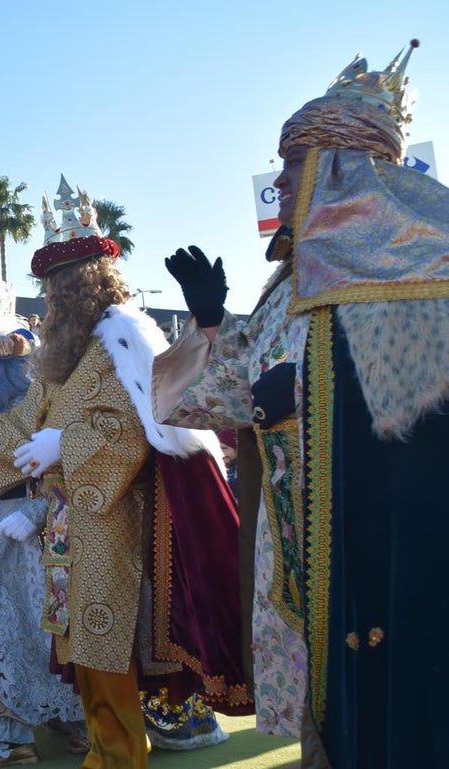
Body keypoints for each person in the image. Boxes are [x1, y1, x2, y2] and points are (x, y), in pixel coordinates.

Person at [153, 40, 447, 768]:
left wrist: (309, 396)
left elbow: (417, 415)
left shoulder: (429, 264)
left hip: (392, 553)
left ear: (340, 168)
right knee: (335, 722)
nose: (279, 184)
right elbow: (203, 400)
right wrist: (213, 326)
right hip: (307, 551)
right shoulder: (289, 287)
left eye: (294, 165)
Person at [0, 224, 250, 767]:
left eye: (59, 285)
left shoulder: (125, 335)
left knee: (104, 642)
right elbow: (27, 418)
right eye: (47, 289)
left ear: (85, 282)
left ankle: (121, 755)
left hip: (114, 515)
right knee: (82, 646)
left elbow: (141, 423)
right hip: (66, 519)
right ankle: (105, 753)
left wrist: (64, 443)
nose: (51, 299)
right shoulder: (65, 353)